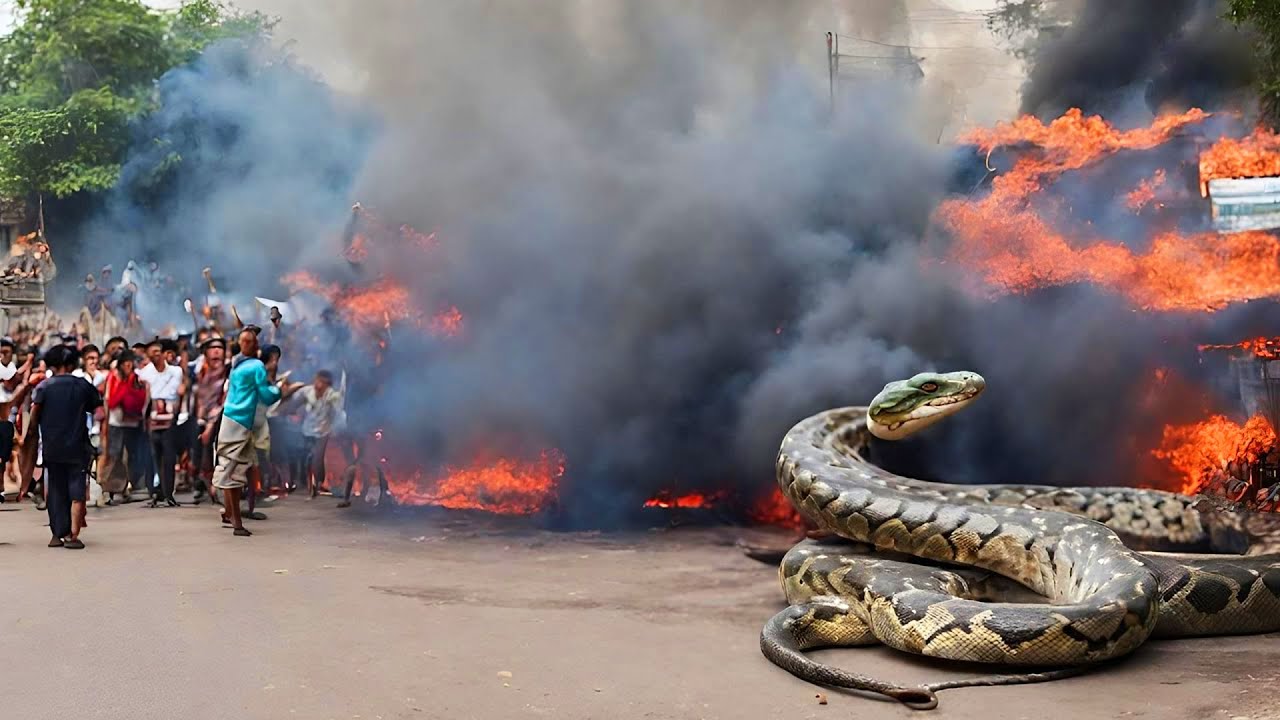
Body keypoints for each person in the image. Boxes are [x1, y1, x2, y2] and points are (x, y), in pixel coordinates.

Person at [212, 329, 297, 535]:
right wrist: (280, 390)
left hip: (229, 419)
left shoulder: (236, 364)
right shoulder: (256, 366)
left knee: (232, 468)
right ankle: (237, 524)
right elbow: (267, 396)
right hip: (241, 422)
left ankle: (230, 513)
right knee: (234, 471)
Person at [28, 345, 102, 549]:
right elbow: (98, 410)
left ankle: (56, 534)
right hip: (77, 447)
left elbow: (34, 416)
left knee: (55, 490)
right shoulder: (82, 385)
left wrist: (33, 437)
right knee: (77, 490)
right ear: (71, 364)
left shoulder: (43, 387)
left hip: (52, 447)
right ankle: (73, 535)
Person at [138, 339, 186, 507]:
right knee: (153, 455)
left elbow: (181, 393)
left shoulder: (176, 371)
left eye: (158, 351)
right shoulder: (144, 373)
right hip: (152, 416)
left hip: (170, 416)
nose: (155, 354)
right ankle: (154, 491)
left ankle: (168, 492)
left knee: (169, 456)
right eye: (152, 352)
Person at [101, 350, 149, 504]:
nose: (128, 365)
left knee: (135, 455)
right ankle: (115, 488)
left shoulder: (138, 379)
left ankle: (138, 486)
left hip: (133, 422)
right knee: (116, 455)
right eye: (125, 363)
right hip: (116, 422)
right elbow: (110, 401)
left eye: (130, 362)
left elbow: (144, 398)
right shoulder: (113, 378)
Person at [292, 369, 342, 499]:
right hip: (307, 430)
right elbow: (294, 402)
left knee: (317, 458)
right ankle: (310, 484)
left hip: (323, 432)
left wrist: (332, 426)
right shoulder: (307, 392)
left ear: (327, 384)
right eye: (317, 380)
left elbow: (338, 413)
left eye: (321, 382)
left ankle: (319, 484)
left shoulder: (332, 396)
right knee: (307, 458)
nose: (317, 384)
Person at [191, 337, 228, 504]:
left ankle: (220, 489)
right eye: (212, 348)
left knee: (220, 455)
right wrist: (201, 419)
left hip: (223, 420)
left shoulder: (229, 373)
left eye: (219, 348)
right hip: (204, 420)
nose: (216, 351)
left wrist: (210, 425)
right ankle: (201, 484)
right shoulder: (202, 374)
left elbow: (223, 402)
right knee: (200, 454)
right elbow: (200, 399)